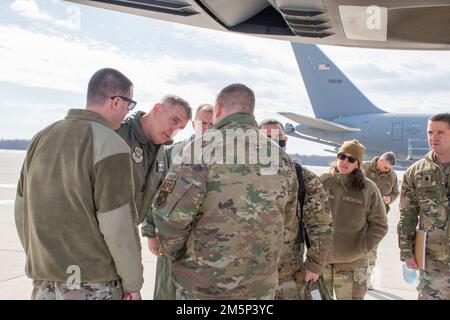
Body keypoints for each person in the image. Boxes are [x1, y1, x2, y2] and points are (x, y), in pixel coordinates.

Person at [152, 84, 298, 299]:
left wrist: (178, 256)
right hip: (259, 287)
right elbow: (289, 224)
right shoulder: (281, 158)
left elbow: (170, 217)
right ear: (251, 111)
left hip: (204, 285)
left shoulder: (199, 149)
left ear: (218, 108)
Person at [14, 68, 143, 300]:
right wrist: (132, 282)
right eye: (129, 104)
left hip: (45, 279)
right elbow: (118, 226)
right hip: (92, 283)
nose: (127, 112)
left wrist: (43, 262)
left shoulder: (42, 137)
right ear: (115, 101)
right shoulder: (110, 144)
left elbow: (22, 209)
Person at [141, 103, 213, 300]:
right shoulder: (172, 152)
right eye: (202, 123)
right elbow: (155, 193)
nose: (207, 128)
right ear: (193, 124)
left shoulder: (227, 158)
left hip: (207, 245)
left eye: (212, 123)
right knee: (166, 292)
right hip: (170, 239)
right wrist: (149, 232)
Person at [258, 119, 333, 300]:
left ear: (285, 140)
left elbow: (321, 225)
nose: (272, 142)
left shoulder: (303, 177)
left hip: (286, 277)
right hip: (246, 276)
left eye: (278, 137)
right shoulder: (238, 177)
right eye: (266, 138)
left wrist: (315, 264)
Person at [320, 140, 388, 300]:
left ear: (358, 164)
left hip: (351, 265)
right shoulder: (323, 181)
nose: (345, 162)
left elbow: (380, 225)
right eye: (342, 156)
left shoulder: (368, 188)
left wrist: (362, 248)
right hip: (321, 263)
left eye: (351, 159)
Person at [116, 94, 191, 225]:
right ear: (157, 109)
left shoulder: (162, 154)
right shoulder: (117, 134)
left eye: (180, 127)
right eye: (174, 120)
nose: (175, 130)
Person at [398, 112, 450, 300]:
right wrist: (406, 252)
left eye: (440, 132)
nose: (433, 138)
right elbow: (407, 216)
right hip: (432, 265)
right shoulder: (416, 172)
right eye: (430, 132)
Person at [363, 151, 399, 289]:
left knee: (372, 248)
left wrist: (390, 198)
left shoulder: (392, 176)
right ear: (380, 161)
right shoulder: (364, 168)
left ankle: (368, 277)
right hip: (359, 215)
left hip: (378, 219)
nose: (388, 170)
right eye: (386, 167)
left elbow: (396, 192)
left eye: (390, 168)